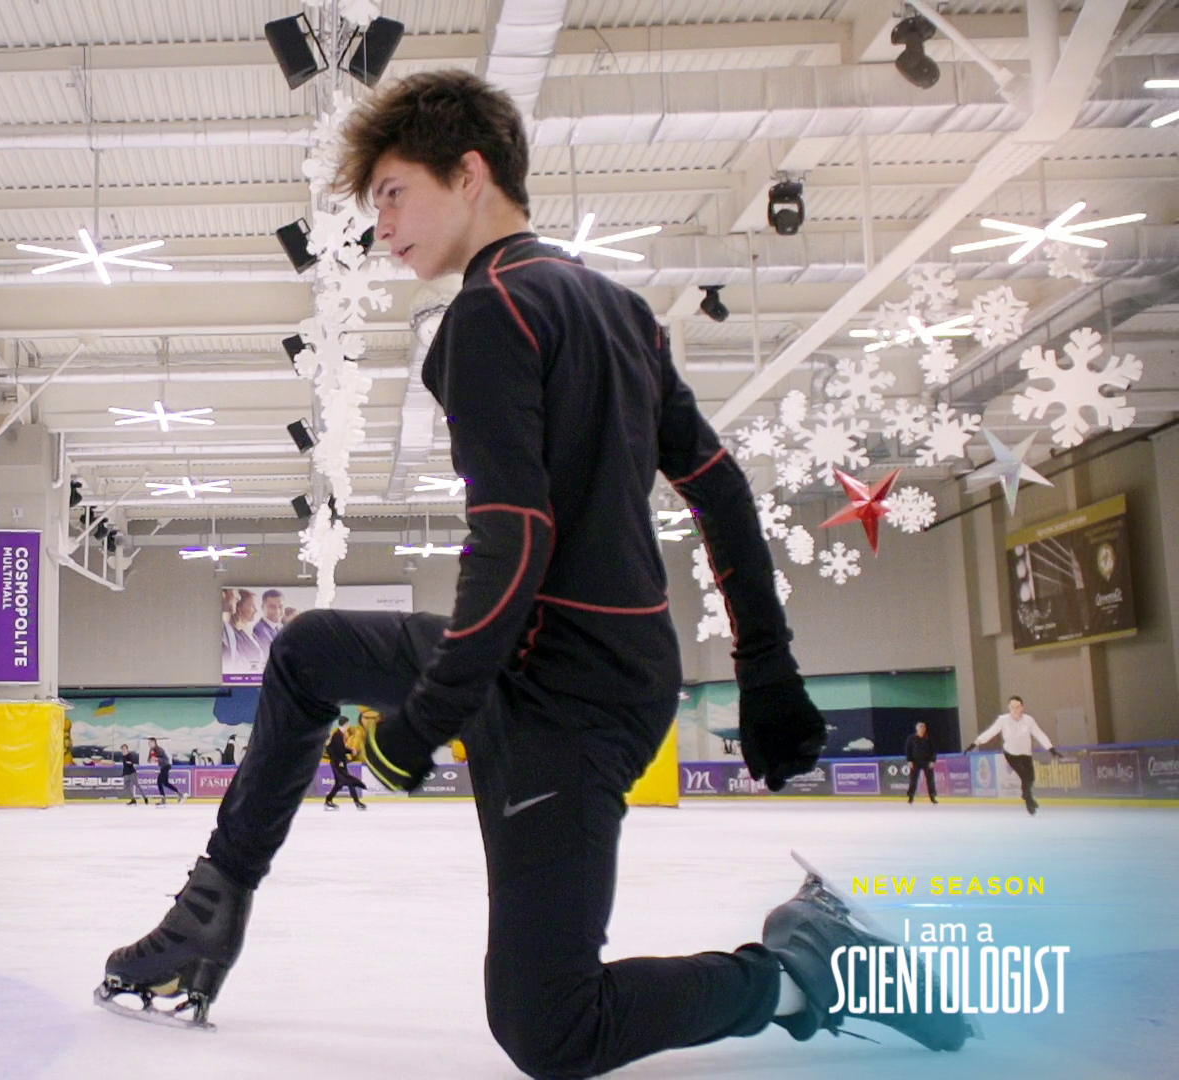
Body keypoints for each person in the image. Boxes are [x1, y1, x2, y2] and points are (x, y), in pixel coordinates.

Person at [99, 70, 970, 1066]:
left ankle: (803, 971)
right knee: (305, 652)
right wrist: (768, 672)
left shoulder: (491, 314)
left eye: (394, 193)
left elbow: (514, 538)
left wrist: (425, 719)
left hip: (572, 697)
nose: (383, 226)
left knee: (551, 1026)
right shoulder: (622, 311)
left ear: (470, 174)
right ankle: (207, 914)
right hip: (565, 663)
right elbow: (721, 493)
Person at [972, 695, 1062, 815]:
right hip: (1011, 754)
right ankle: (1029, 800)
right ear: (1009, 707)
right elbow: (991, 732)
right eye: (1012, 707)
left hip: (1026, 754)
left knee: (1031, 778)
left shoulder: (1029, 720)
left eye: (1017, 707)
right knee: (1024, 776)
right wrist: (976, 742)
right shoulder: (1003, 720)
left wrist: (1051, 749)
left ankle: (1026, 795)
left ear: (1022, 707)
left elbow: (1039, 734)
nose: (1015, 709)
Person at [323, 718, 366, 811]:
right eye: (348, 724)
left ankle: (328, 801)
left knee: (339, 784)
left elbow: (337, 749)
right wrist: (340, 762)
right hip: (338, 764)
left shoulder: (339, 735)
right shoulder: (337, 736)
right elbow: (334, 751)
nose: (349, 726)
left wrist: (350, 750)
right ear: (345, 724)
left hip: (338, 763)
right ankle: (357, 803)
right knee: (349, 781)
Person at [904, 722, 938, 804]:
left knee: (930, 780)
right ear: (917, 728)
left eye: (923, 727)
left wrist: (932, 761)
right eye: (920, 726)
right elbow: (907, 750)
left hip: (927, 761)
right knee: (913, 780)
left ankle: (932, 797)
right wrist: (909, 761)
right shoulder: (911, 738)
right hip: (915, 761)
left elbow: (934, 750)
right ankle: (911, 796)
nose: (922, 728)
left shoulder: (929, 738)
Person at [148, 738, 183, 804]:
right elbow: (149, 759)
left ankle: (163, 800)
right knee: (165, 783)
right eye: (149, 743)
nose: (149, 744)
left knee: (159, 782)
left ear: (154, 743)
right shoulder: (151, 750)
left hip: (166, 766)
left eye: (150, 742)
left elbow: (166, 759)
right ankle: (179, 793)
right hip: (163, 767)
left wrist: (157, 759)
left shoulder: (159, 750)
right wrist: (151, 760)